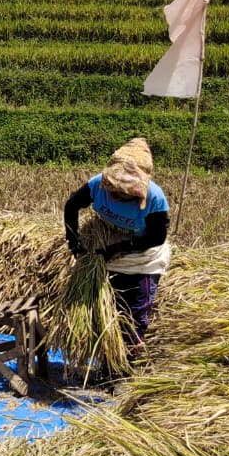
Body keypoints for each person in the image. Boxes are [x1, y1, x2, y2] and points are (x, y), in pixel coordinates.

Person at [63, 137, 171, 352]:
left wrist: (118, 249)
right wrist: (74, 242)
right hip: (106, 249)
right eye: (111, 190)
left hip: (142, 258)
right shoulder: (97, 185)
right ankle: (106, 360)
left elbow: (156, 238)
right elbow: (71, 206)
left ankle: (125, 367)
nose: (112, 197)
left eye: (120, 193)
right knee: (108, 309)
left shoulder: (154, 199)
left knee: (135, 312)